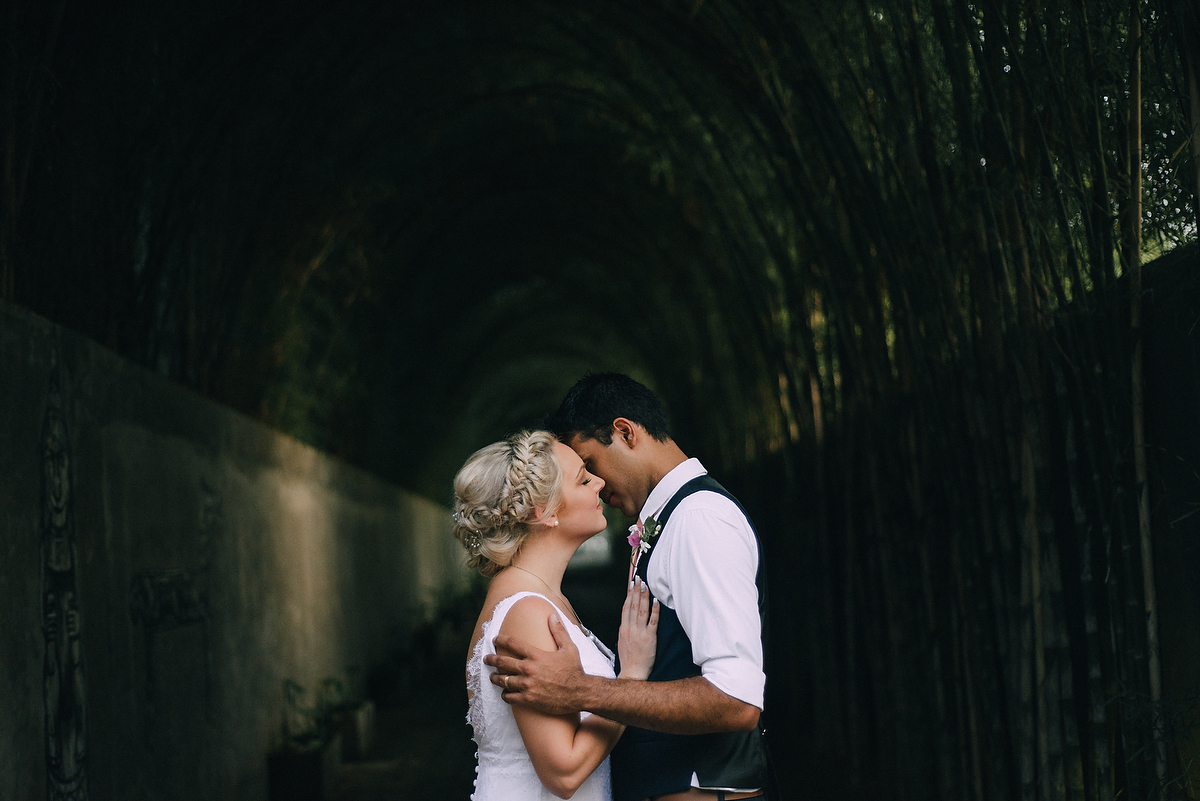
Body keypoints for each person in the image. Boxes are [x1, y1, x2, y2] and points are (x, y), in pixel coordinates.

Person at [484, 374, 769, 801]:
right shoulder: (669, 520)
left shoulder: (699, 520)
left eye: (590, 464)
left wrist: (581, 690)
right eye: (582, 476)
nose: (596, 483)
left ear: (624, 432)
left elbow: (737, 698)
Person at [455, 429, 661, 801]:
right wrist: (631, 677)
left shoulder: (540, 598)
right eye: (584, 478)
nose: (600, 481)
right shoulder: (527, 612)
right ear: (545, 512)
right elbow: (563, 773)